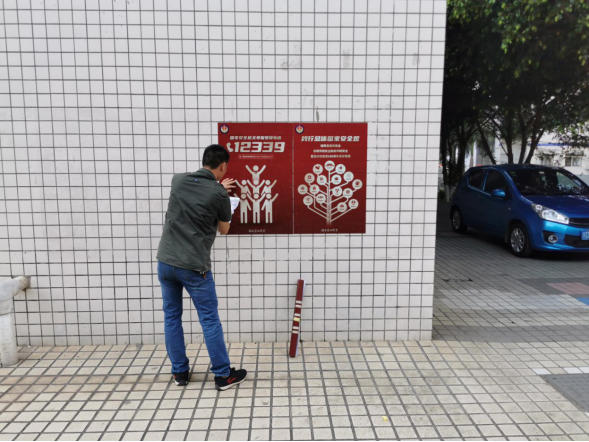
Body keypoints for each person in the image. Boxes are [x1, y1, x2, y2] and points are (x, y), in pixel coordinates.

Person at [156, 144, 248, 391]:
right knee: (209, 319)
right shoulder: (218, 195)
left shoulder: (178, 181)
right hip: (194, 266)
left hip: (166, 262)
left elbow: (196, 194)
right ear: (223, 166)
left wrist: (219, 190)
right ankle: (223, 375)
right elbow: (224, 229)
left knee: (171, 317)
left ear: (204, 161)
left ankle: (180, 373)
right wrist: (224, 199)